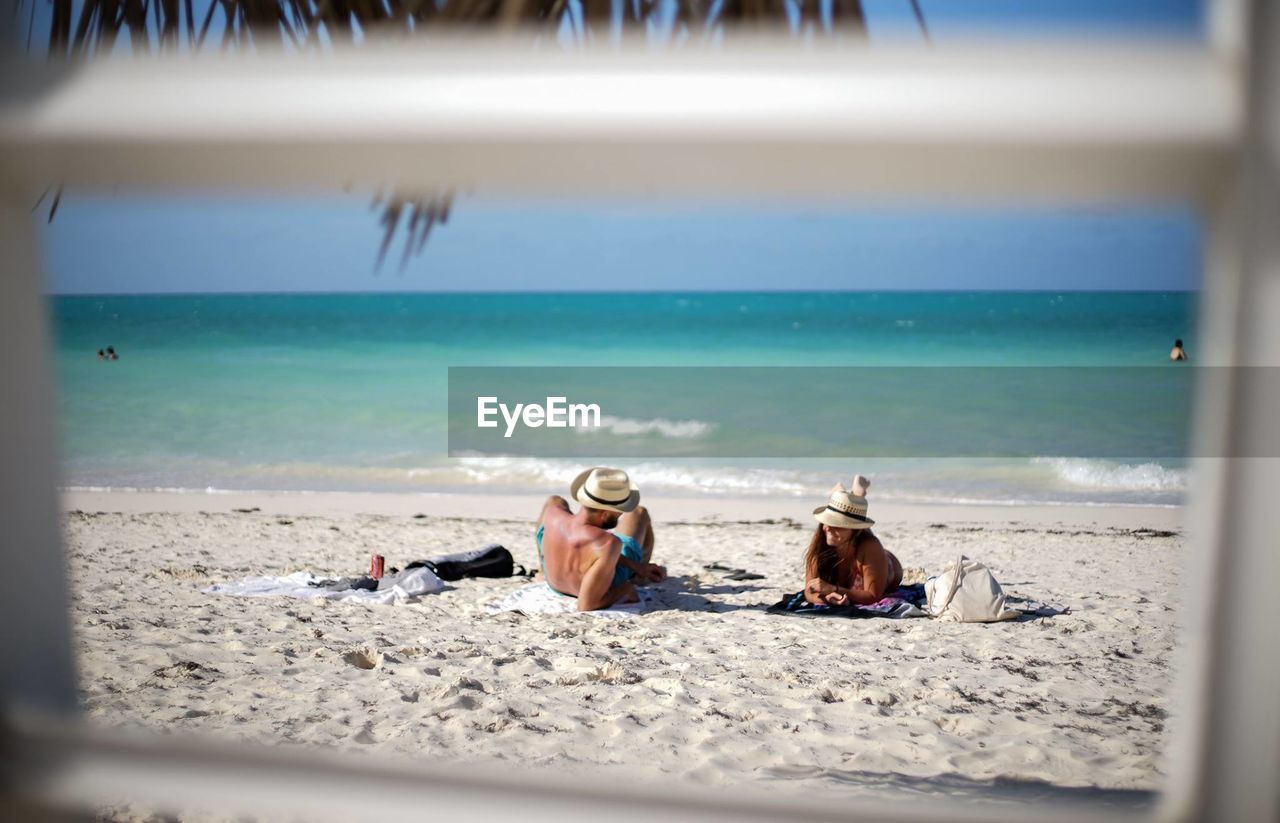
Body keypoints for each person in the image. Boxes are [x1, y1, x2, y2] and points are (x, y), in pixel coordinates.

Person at [535, 466, 666, 611]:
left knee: (554, 500)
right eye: (619, 511)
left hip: (554, 581)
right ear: (604, 514)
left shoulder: (552, 513)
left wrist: (634, 566)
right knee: (639, 512)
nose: (621, 514)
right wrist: (625, 588)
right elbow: (586, 606)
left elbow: (590, 551)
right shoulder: (607, 543)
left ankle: (542, 570)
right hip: (587, 589)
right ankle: (639, 576)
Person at [803, 475, 902, 606]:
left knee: (857, 529)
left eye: (836, 524)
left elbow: (873, 596)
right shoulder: (820, 544)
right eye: (825, 522)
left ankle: (855, 496)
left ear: (856, 530)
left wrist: (834, 589)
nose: (827, 528)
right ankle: (854, 496)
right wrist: (826, 599)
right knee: (852, 521)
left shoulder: (870, 546)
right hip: (852, 539)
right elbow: (808, 591)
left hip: (887, 565)